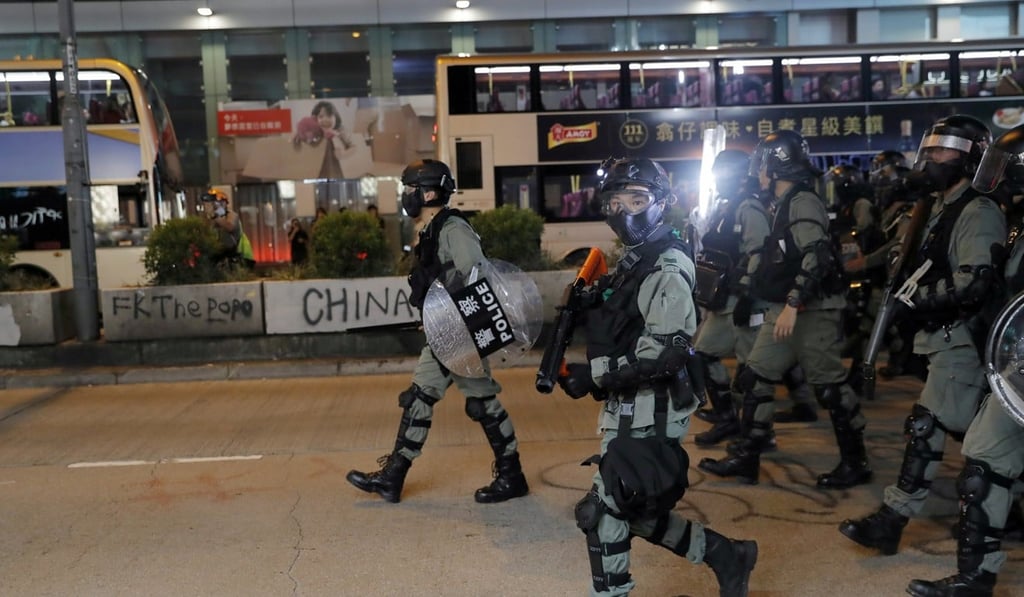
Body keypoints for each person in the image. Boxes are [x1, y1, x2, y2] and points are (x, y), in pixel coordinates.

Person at [558, 156, 757, 597]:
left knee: (602, 510)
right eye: (614, 201)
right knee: (629, 503)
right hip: (631, 402)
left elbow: (667, 354)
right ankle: (726, 554)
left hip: (653, 403)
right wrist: (593, 301)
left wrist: (594, 376)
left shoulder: (666, 263)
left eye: (636, 199)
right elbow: (629, 318)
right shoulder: (637, 258)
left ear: (662, 203)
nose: (623, 211)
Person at [839, 114, 1007, 557]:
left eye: (942, 149)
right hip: (940, 339)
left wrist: (918, 299)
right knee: (973, 433)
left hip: (963, 339)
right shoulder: (937, 206)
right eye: (928, 149)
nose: (930, 158)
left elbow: (975, 282)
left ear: (971, 156)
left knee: (928, 424)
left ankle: (893, 519)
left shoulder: (977, 210)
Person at [345, 159, 529, 504]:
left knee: (481, 404)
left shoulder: (452, 228)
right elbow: (442, 283)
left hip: (460, 334)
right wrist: (434, 317)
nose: (406, 196)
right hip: (447, 332)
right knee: (425, 398)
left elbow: (475, 276)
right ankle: (393, 478)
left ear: (429, 193)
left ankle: (512, 476)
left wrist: (456, 320)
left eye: (410, 190)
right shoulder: (432, 230)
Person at [698, 129, 871, 489]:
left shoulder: (802, 201)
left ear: (774, 168)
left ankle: (856, 463)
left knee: (830, 389)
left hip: (811, 309)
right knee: (753, 378)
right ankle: (747, 458)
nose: (756, 172)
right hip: (786, 307)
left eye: (760, 165)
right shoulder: (783, 202)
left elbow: (817, 254)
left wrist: (793, 304)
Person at [904, 121, 1024, 597]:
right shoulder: (1013, 222)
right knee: (982, 461)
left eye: (1006, 167)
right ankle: (976, 579)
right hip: (1017, 368)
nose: (996, 176)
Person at [691, 149, 815, 449]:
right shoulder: (727, 206)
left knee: (752, 371)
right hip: (723, 301)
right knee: (702, 355)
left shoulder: (748, 207)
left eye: (722, 175)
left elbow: (759, 253)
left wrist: (747, 294)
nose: (717, 182)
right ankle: (727, 419)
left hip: (746, 301)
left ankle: (760, 433)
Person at [201, 188, 254, 269]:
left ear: (223, 203)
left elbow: (230, 227)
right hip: (219, 256)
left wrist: (215, 216)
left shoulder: (231, 215)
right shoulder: (212, 219)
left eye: (215, 203)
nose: (213, 206)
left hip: (234, 256)